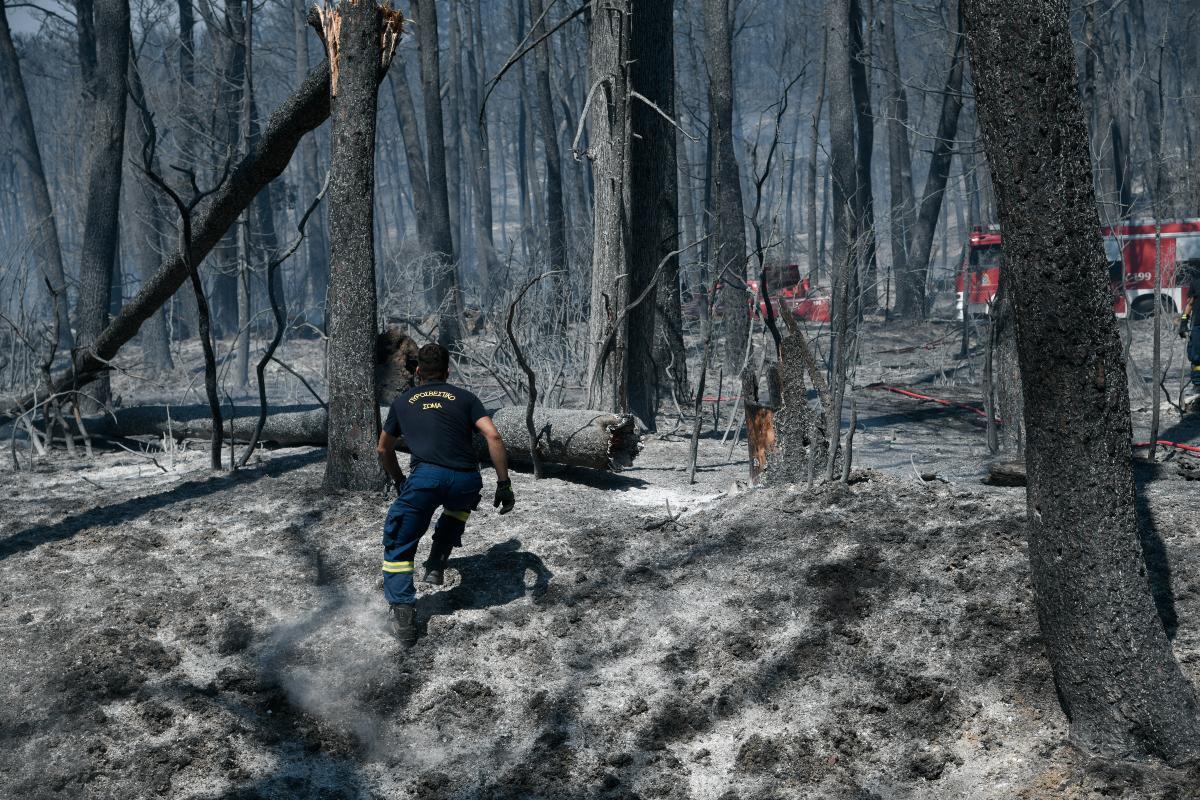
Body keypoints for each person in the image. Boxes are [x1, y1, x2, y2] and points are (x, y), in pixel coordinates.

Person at [376, 343, 515, 647]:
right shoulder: (465, 398)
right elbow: (493, 435)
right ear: (447, 372)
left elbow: (383, 448)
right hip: (466, 479)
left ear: (416, 372)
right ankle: (437, 561)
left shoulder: (403, 402)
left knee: (399, 540)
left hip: (424, 479)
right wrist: (504, 483)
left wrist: (399, 479)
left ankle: (402, 614)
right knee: (458, 506)